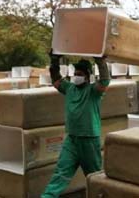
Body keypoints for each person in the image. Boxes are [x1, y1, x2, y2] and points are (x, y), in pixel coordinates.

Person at [41, 50, 110, 198]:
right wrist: (54, 61)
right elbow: (56, 79)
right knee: (61, 173)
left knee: (95, 178)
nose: (76, 76)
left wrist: (100, 61)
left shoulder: (93, 91)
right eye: (76, 73)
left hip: (89, 140)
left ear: (87, 77)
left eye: (80, 74)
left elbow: (104, 81)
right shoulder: (69, 88)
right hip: (71, 140)